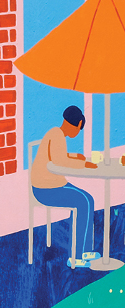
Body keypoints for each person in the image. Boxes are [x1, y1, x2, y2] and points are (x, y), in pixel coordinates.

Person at [30, 106, 100, 268]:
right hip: (46, 189)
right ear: (78, 123)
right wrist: (84, 164)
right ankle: (75, 257)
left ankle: (84, 250)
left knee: (87, 199)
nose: (78, 133)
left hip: (50, 184)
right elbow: (61, 162)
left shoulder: (56, 133)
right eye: (79, 129)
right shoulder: (57, 135)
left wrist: (76, 157)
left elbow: (60, 156)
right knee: (84, 201)